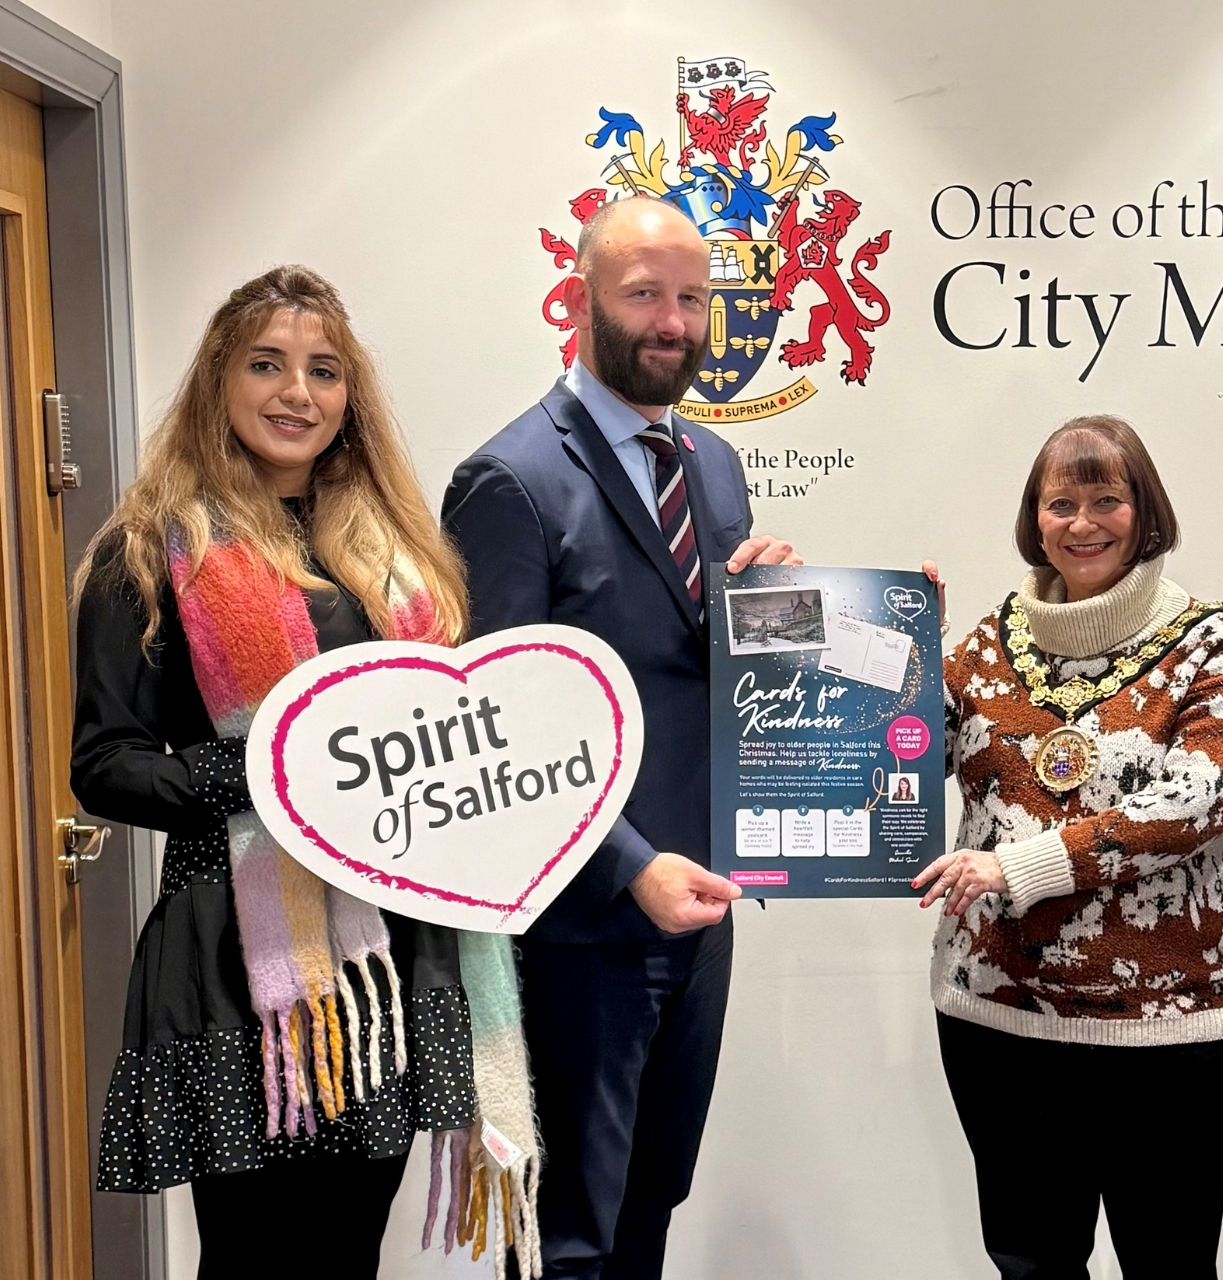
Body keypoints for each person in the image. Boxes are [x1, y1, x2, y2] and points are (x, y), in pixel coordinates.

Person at [71, 267, 479, 1277]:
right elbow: (105, 763)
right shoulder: (150, 551)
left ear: (350, 397)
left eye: (323, 370)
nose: (298, 391)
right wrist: (266, 773)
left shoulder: (397, 555)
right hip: (235, 953)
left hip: (387, 946)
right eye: (268, 364)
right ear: (220, 379)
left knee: (347, 1248)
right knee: (258, 1253)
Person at [442, 196, 799, 1279]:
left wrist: (823, 614)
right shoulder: (509, 481)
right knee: (571, 1234)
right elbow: (493, 724)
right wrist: (630, 868)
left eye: (693, 298)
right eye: (644, 293)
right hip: (585, 921)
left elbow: (709, 666)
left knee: (651, 1199)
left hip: (703, 905)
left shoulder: (713, 465)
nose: (674, 322)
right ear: (580, 300)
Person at [913, 415, 1223, 1280]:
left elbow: (1200, 797)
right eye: (1060, 503)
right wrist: (897, 645)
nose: (1083, 523)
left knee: (1171, 1267)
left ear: (1145, 510)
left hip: (1172, 1037)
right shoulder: (981, 647)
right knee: (1032, 1266)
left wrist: (1021, 866)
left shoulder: (1210, 639)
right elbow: (888, 756)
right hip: (1001, 1023)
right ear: (1034, 520)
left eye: (1107, 499)